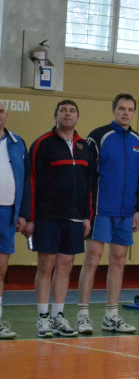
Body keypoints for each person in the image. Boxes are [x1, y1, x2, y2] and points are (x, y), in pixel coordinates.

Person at [76, 94, 139, 334]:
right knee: (92, 259)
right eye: (122, 108)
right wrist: (86, 210)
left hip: (126, 212)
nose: (126, 113)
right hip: (100, 210)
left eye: (130, 109)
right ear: (114, 110)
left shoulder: (138, 141)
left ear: (134, 113)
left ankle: (111, 316)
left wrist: (138, 209)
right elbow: (86, 177)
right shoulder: (98, 137)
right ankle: (83, 315)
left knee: (119, 260)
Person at [26, 100, 94, 338]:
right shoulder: (42, 144)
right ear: (55, 116)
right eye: (63, 111)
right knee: (46, 265)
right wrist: (30, 217)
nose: (68, 114)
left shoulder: (84, 146)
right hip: (47, 216)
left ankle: (58, 316)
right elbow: (31, 181)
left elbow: (88, 185)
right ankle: (43, 317)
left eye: (72, 111)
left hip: (75, 218)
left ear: (77, 118)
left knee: (65, 266)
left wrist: (86, 217)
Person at [0, 102, 30, 339]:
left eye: (0, 111)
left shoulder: (17, 142)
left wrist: (22, 213)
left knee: (1, 269)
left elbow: (26, 180)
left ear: (6, 115)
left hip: (7, 213)